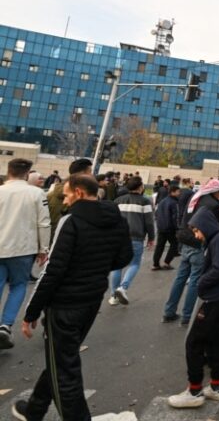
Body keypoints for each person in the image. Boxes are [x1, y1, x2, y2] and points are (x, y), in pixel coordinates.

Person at [12, 174, 132, 420]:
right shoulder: (116, 220)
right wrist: (96, 268)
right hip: (90, 299)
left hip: (64, 304)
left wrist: (31, 311)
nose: (65, 201)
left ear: (78, 192)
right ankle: (35, 409)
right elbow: (124, 257)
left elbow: (52, 271)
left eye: (66, 195)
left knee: (65, 371)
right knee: (61, 359)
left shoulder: (72, 221)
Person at [168, 209, 219, 409]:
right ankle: (216, 386)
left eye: (197, 230)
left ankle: (194, 390)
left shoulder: (218, 240)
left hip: (216, 299)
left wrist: (200, 284)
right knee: (215, 342)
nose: (196, 235)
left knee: (194, 343)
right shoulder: (217, 239)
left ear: (206, 226)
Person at [163, 179, 219, 324]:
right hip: (197, 242)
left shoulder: (196, 197)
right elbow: (215, 225)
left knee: (180, 277)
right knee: (195, 280)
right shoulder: (212, 205)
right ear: (216, 191)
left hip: (185, 239)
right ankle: (187, 316)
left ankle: (169, 311)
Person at [0, 159, 50, 350]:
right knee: (18, 285)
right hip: (23, 249)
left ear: (8, 171)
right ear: (27, 173)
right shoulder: (37, 193)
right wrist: (43, 248)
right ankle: (6, 325)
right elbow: (44, 222)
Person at [109, 176, 155, 306]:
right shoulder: (145, 202)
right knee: (134, 264)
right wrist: (151, 238)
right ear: (140, 187)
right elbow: (149, 222)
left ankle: (113, 297)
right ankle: (123, 288)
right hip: (136, 237)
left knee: (117, 266)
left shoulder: (117, 201)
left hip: (118, 237)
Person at [48, 158, 92, 238]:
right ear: (82, 173)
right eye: (90, 172)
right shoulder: (84, 195)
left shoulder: (51, 193)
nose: (91, 175)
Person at [153, 185, 181, 271]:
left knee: (159, 246)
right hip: (170, 228)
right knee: (175, 244)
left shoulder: (162, 201)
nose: (179, 193)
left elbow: (156, 213)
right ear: (173, 192)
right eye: (178, 191)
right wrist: (177, 228)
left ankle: (156, 264)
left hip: (161, 227)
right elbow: (175, 217)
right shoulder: (174, 202)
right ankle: (167, 262)